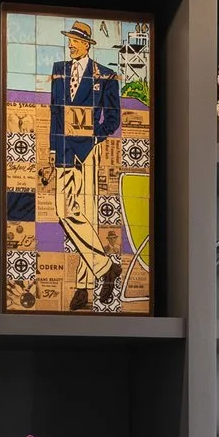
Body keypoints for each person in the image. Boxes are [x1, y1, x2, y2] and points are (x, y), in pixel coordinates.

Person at [47, 21, 126, 309]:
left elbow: (113, 118)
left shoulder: (105, 75)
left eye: (76, 40)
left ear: (87, 44)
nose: (71, 44)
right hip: (64, 152)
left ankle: (83, 288)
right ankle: (106, 267)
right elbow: (54, 114)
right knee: (64, 211)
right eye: (69, 39)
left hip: (89, 151)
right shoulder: (58, 70)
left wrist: (93, 137)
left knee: (86, 215)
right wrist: (52, 153)